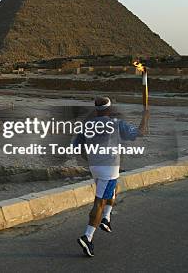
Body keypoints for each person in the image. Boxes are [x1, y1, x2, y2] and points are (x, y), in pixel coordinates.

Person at [75, 96, 149, 257]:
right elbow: (140, 133)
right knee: (99, 202)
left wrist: (89, 158)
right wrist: (145, 117)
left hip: (95, 167)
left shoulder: (86, 125)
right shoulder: (117, 124)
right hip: (109, 168)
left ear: (97, 109)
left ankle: (106, 218)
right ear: (109, 109)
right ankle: (87, 236)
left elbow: (76, 146)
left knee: (114, 188)